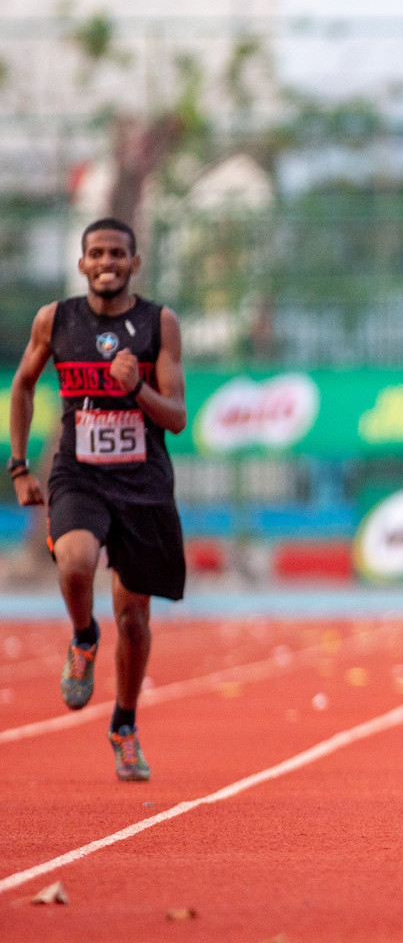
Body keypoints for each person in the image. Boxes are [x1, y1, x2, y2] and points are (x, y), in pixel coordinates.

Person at [9, 217, 188, 781]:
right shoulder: (54, 320)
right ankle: (84, 636)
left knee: (134, 618)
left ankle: (125, 726)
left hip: (142, 483)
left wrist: (137, 387)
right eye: (97, 253)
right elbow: (22, 385)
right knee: (76, 559)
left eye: (118, 253)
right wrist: (19, 466)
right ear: (82, 262)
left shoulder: (159, 324)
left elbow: (178, 419)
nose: (107, 261)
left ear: (135, 264)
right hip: (79, 475)